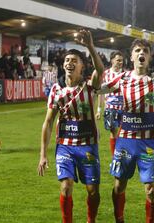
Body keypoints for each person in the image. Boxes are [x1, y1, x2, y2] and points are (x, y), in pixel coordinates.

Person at [97, 14, 154, 223]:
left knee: (150, 190)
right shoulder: (121, 79)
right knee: (119, 185)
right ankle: (119, 219)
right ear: (131, 57)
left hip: (148, 142)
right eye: (137, 50)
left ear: (149, 57)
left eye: (145, 51)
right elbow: (97, 89)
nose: (141, 53)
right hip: (125, 141)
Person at [37, 30, 104, 223]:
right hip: (65, 146)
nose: (69, 63)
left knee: (92, 191)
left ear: (82, 66)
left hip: (88, 145)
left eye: (74, 59)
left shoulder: (90, 86)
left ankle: (91, 220)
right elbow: (48, 122)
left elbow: (100, 71)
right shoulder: (56, 90)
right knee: (65, 187)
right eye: (67, 60)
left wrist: (90, 46)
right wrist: (43, 154)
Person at [95, 51, 124, 156]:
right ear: (112, 60)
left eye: (121, 60)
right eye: (118, 60)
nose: (120, 62)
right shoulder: (106, 74)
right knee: (113, 132)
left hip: (124, 108)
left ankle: (121, 154)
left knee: (123, 133)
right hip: (111, 108)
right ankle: (114, 157)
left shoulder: (125, 74)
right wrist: (98, 110)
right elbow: (100, 93)